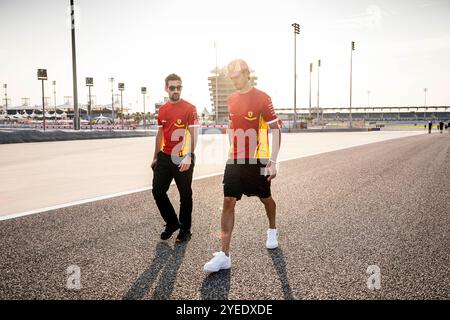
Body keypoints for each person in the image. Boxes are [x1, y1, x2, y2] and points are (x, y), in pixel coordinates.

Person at [203, 59, 282, 273]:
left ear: (247, 73)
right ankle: (224, 255)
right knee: (228, 201)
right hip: (235, 160)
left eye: (237, 76)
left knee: (266, 199)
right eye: (231, 77)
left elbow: (275, 130)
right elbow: (231, 125)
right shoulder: (231, 99)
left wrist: (273, 162)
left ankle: (272, 229)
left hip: (259, 160)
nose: (234, 81)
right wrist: (232, 147)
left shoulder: (263, 98)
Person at [151, 73, 199, 242]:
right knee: (157, 190)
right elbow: (159, 134)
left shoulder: (189, 108)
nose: (176, 90)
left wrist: (188, 155)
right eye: (172, 88)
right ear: (166, 89)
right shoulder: (162, 109)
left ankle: (185, 230)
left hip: (182, 156)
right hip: (164, 156)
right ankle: (172, 223)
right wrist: (155, 157)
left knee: (185, 194)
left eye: (179, 87)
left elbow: (194, 133)